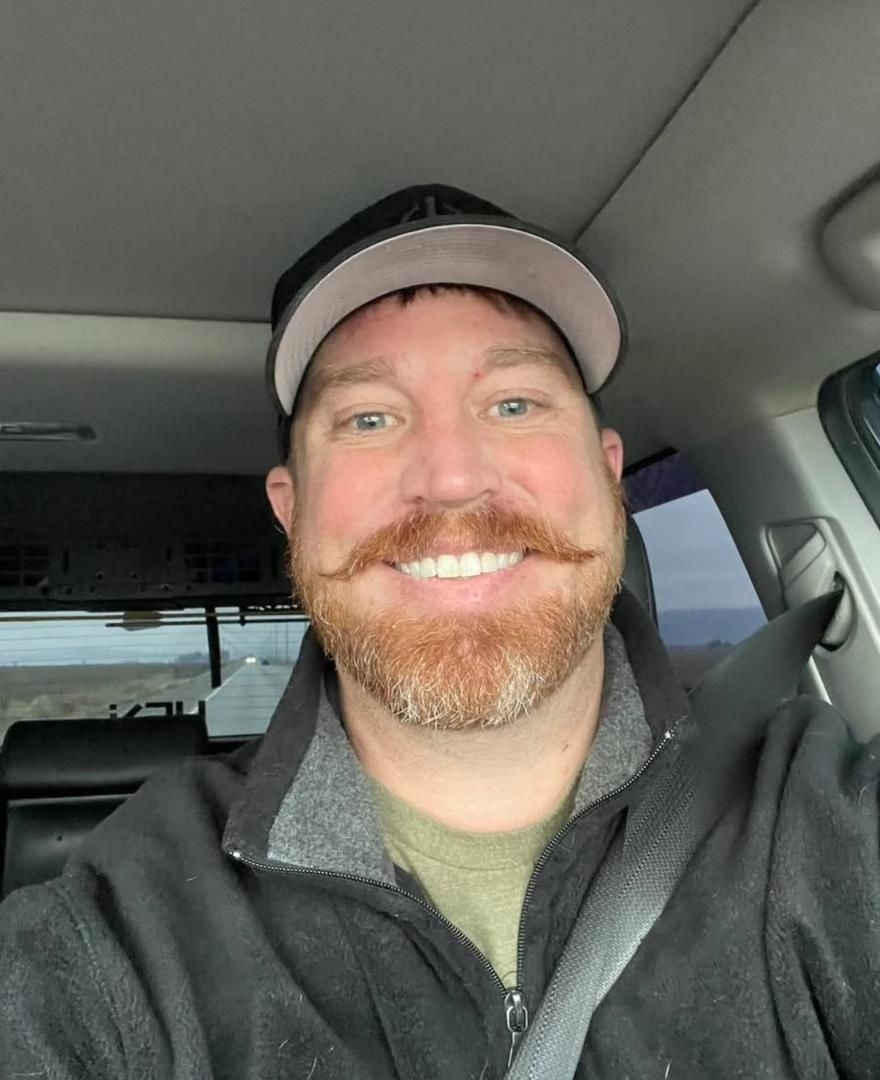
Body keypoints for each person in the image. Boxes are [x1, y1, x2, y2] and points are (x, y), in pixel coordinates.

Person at [1, 184, 879, 1080]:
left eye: (514, 404)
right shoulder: (124, 937)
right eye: (369, 419)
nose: (453, 479)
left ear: (608, 474)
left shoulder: (823, 822)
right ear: (292, 510)